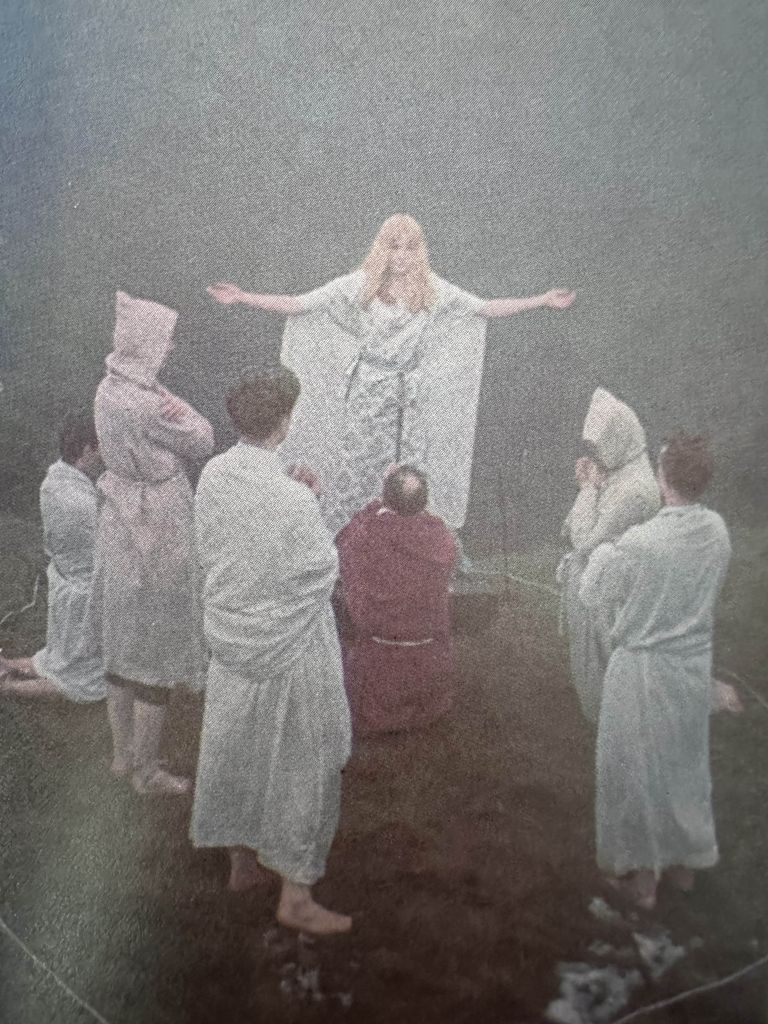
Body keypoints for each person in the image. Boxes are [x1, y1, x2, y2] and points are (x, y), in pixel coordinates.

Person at [208, 213, 575, 536]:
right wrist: (243, 297)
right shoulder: (359, 284)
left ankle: (404, 545)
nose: (401, 256)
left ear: (419, 252)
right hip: (369, 393)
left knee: (407, 471)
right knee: (360, 468)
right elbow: (300, 303)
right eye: (394, 247)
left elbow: (484, 308)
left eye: (409, 248)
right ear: (382, 249)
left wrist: (541, 300)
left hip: (408, 398)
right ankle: (350, 545)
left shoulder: (432, 289)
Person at [190, 370, 352, 935]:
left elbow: (219, 544)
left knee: (236, 745)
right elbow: (320, 570)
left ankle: (241, 864)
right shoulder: (292, 499)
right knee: (302, 758)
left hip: (232, 632)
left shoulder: (215, 474)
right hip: (289, 642)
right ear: (284, 422)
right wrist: (307, 499)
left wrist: (293, 491)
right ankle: (296, 894)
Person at [580, 434, 731, 910]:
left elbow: (592, 593)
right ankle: (684, 868)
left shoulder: (641, 543)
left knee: (634, 772)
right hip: (691, 665)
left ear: (664, 479)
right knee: (684, 766)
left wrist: (602, 545)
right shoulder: (716, 531)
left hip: (643, 670)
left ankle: (642, 883)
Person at [92, 291, 214, 795]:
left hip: (119, 513)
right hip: (156, 517)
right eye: (164, 340)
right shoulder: (147, 404)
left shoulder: (109, 388)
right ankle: (147, 772)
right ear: (146, 345)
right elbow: (203, 440)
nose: (169, 348)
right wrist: (186, 411)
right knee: (156, 642)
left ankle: (122, 755)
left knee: (122, 635)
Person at [558, 387, 661, 723]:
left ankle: (606, 715)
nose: (595, 454)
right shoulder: (620, 472)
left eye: (600, 447)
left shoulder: (634, 491)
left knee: (605, 658)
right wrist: (592, 485)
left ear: (619, 439)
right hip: (597, 581)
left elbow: (583, 540)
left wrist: (588, 488)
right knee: (592, 655)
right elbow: (570, 527)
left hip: (608, 591)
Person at [336, 465, 457, 734]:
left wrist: (378, 503)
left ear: (386, 497)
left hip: (380, 661)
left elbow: (345, 541)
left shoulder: (367, 534)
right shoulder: (440, 536)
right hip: (429, 661)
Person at [0, 413, 106, 702]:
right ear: (88, 449)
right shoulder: (80, 502)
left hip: (66, 583)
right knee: (88, 681)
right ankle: (7, 688)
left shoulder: (55, 479)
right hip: (84, 596)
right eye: (102, 447)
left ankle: (7, 666)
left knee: (59, 660)